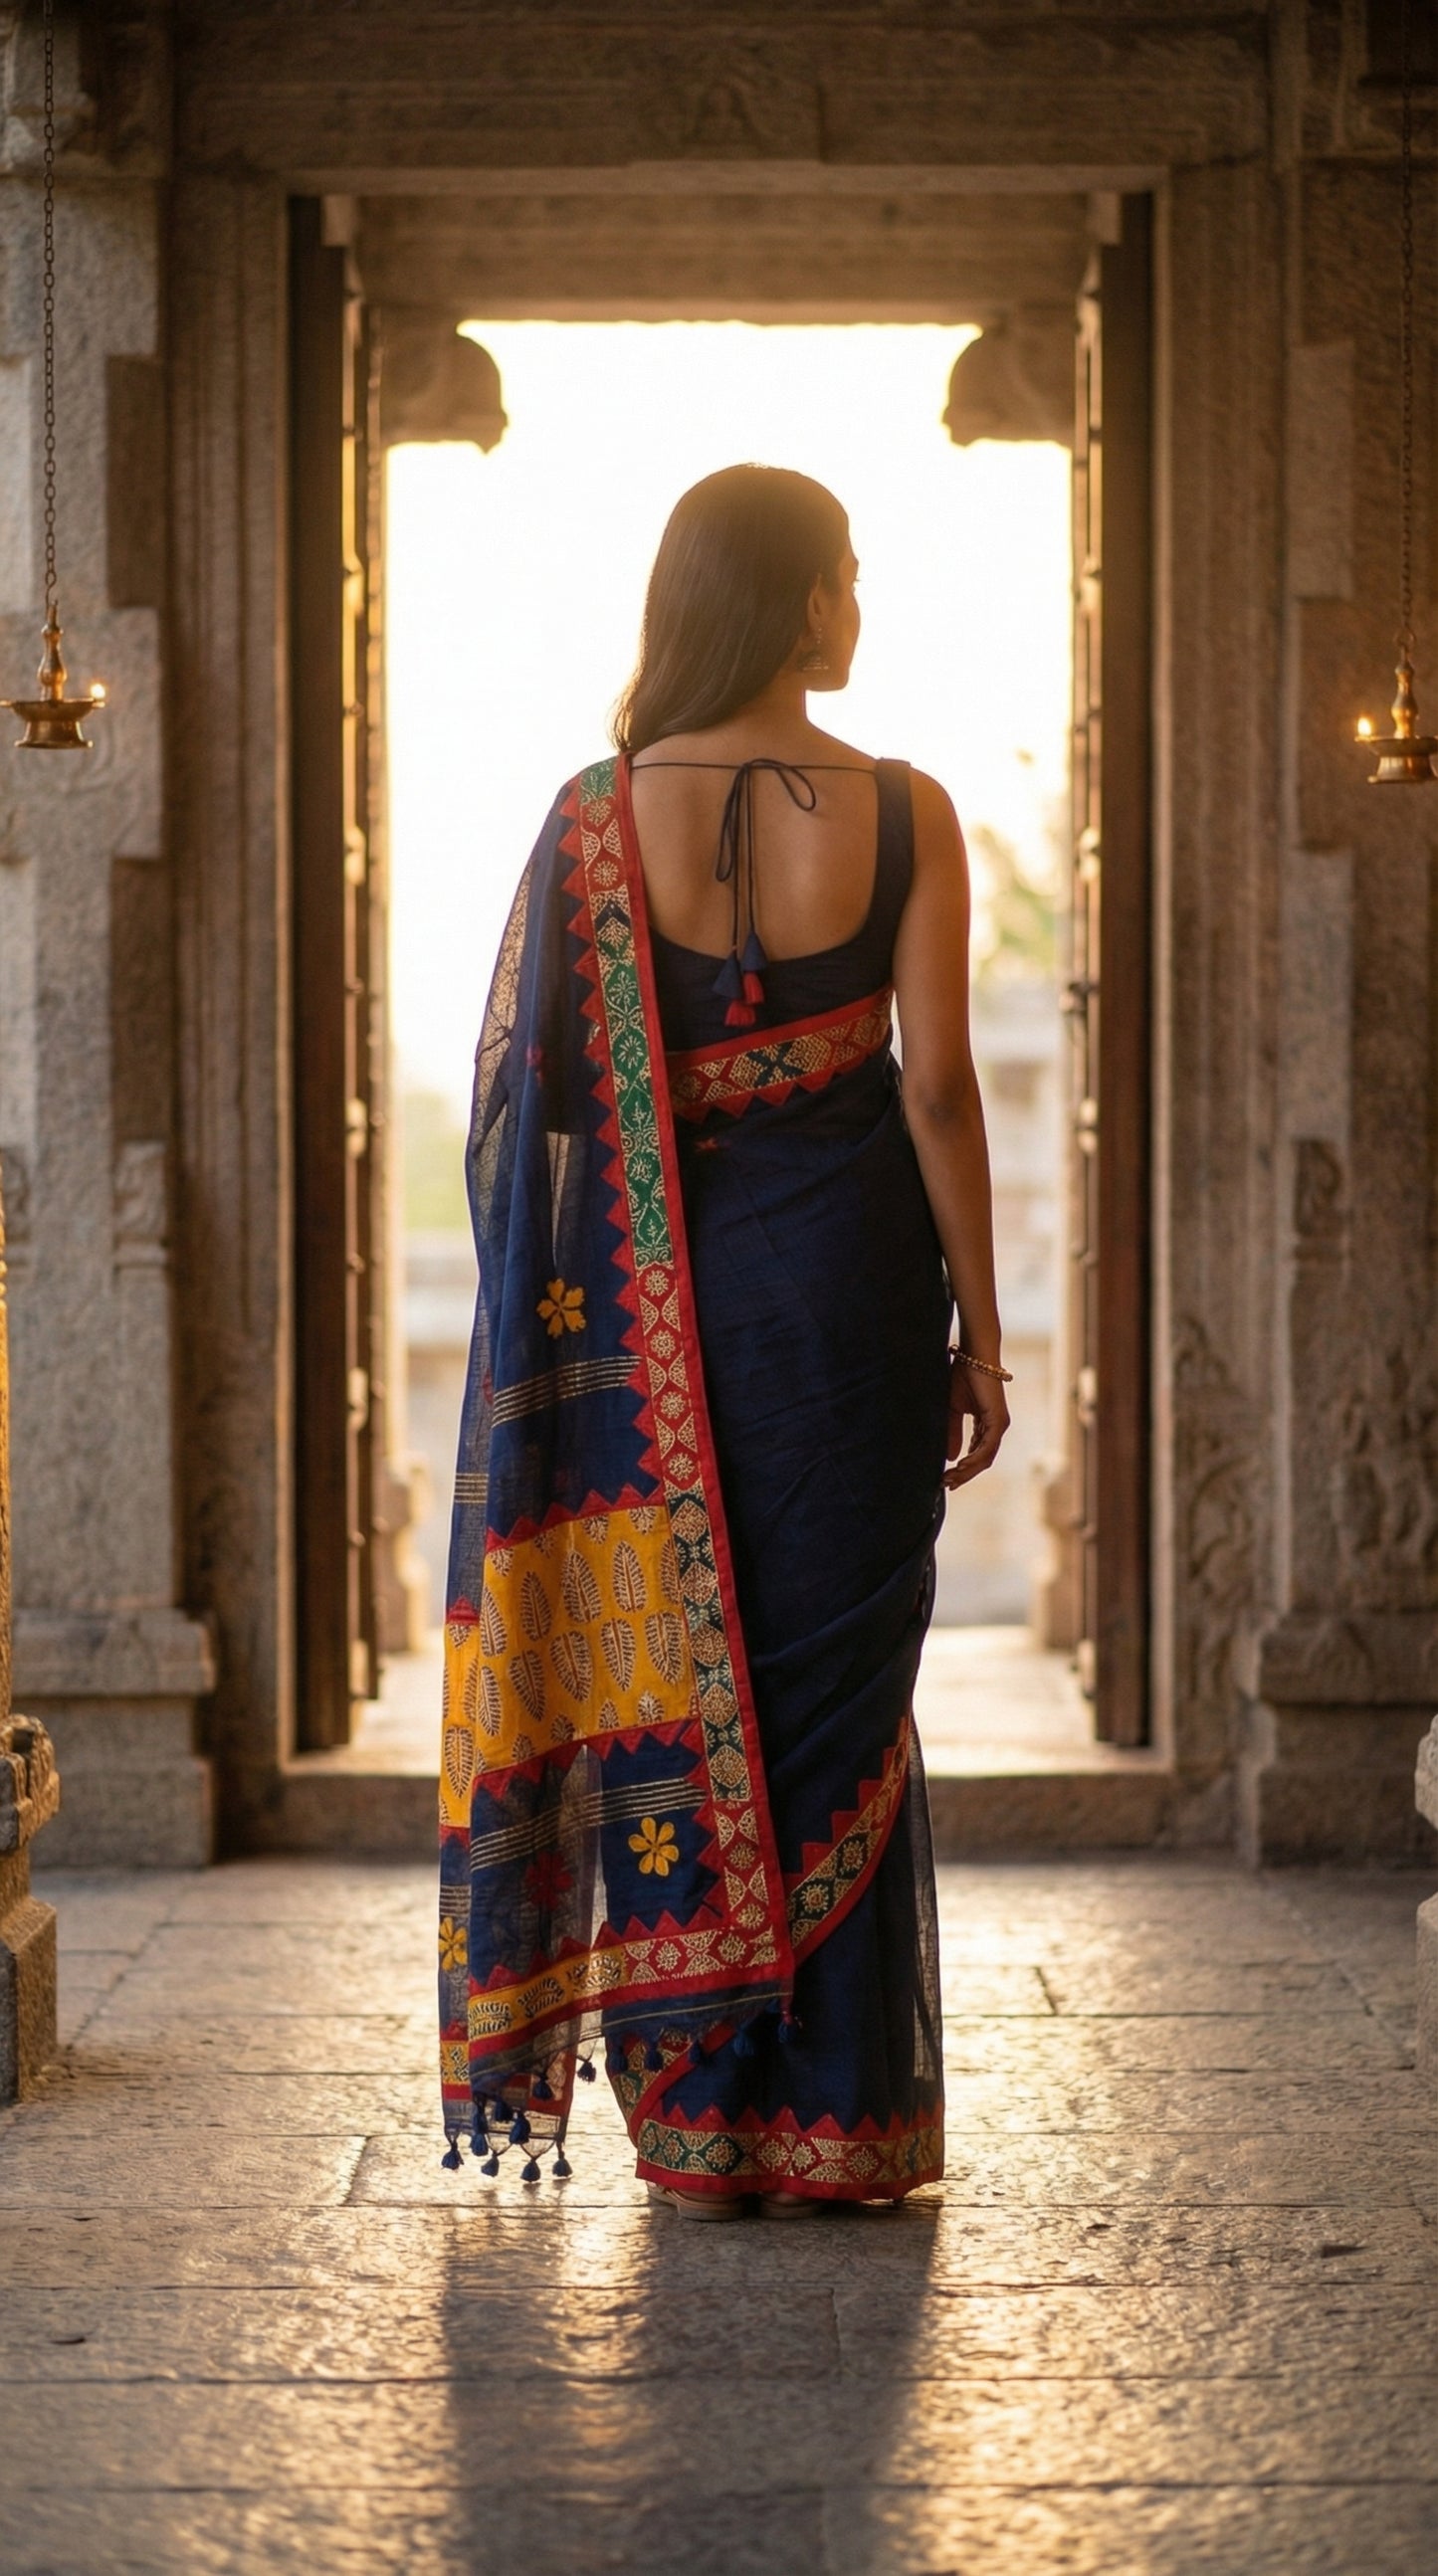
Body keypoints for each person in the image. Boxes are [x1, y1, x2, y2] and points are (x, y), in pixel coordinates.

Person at [438, 464, 1008, 2215]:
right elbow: (933, 1087)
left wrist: (580, 1342)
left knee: (680, 1681)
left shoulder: (593, 820)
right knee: (838, 1688)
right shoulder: (905, 810)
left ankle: (700, 2114)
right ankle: (836, 2115)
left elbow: (521, 1114)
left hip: (660, 1324)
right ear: (790, 600)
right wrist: (982, 1332)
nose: (858, 609)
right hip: (847, 1308)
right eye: (843, 577)